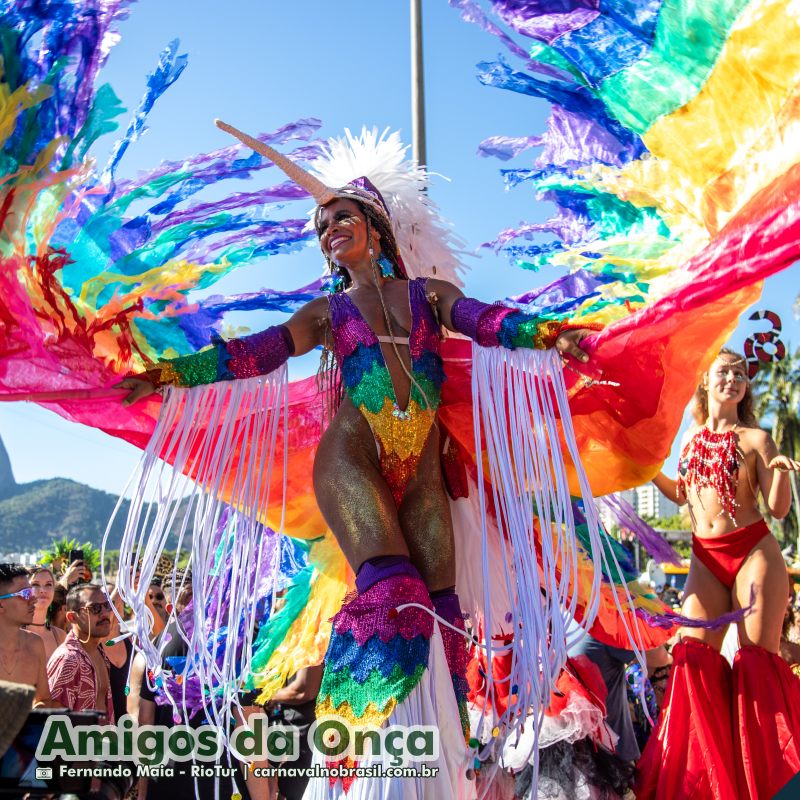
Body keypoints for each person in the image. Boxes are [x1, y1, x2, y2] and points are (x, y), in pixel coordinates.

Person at [117, 126, 594, 797]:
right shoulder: (329, 311)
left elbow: (484, 318)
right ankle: (345, 765)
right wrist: (173, 374)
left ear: (376, 227)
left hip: (422, 471)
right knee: (393, 597)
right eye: (320, 225)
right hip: (351, 460)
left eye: (340, 216)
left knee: (443, 619)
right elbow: (255, 353)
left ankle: (438, 776)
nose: (327, 230)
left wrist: (545, 333)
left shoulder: (427, 297)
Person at [636, 349, 800, 799]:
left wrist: (782, 472)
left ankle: (773, 784)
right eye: (723, 372)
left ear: (744, 387)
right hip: (705, 557)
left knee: (755, 662)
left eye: (740, 374)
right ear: (706, 381)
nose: (733, 379)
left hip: (754, 552)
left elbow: (779, 509)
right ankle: (709, 784)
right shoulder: (689, 438)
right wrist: (648, 471)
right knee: (690, 655)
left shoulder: (758, 439)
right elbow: (681, 496)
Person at [47, 583, 114, 721]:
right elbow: (53, 722)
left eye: (107, 606)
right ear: (72, 617)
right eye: (94, 608)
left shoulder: (101, 653)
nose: (104, 613)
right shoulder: (68, 660)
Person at [0, 564, 57, 709]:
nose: (33, 599)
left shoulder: (35, 644)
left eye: (31, 593)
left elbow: (44, 698)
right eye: (25, 594)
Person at [25, 566, 66, 661]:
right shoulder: (13, 634)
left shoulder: (60, 636)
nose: (43, 590)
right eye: (35, 584)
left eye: (48, 585)